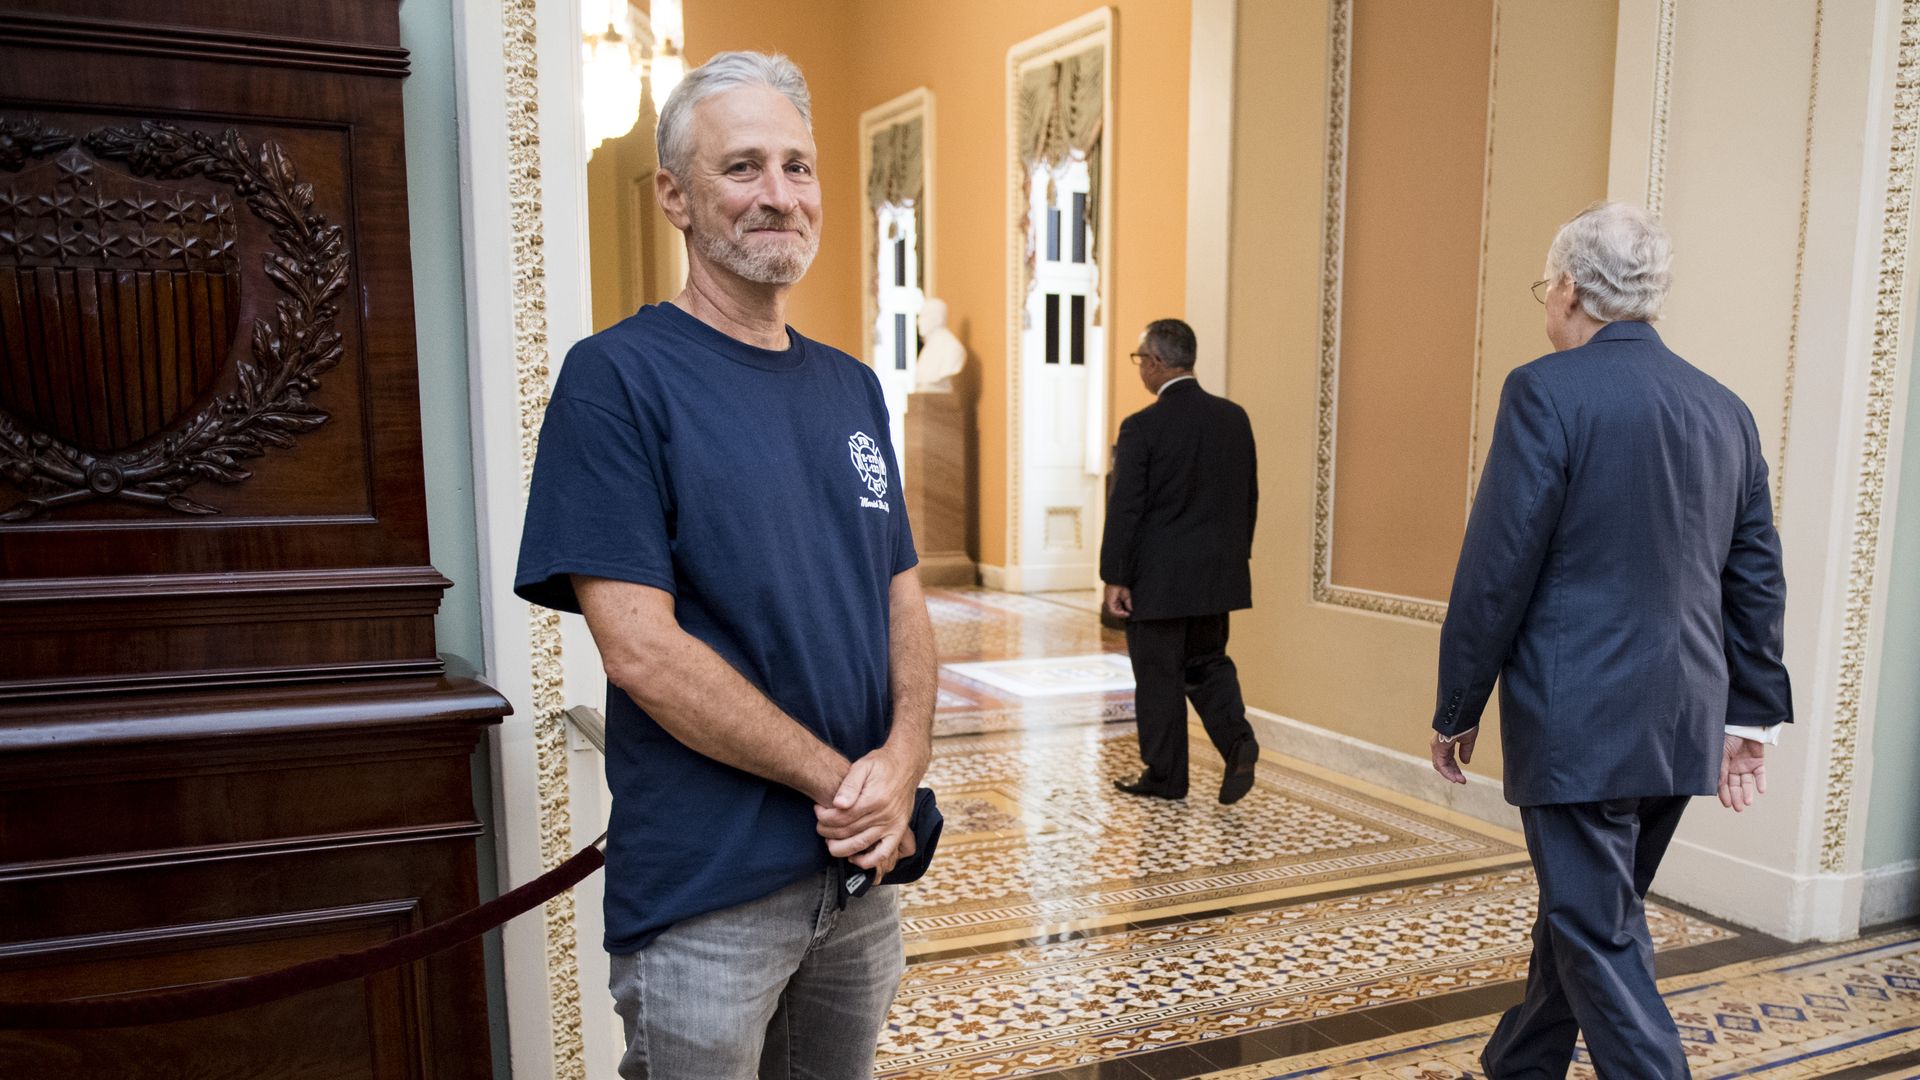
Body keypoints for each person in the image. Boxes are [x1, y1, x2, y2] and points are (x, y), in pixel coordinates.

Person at [513, 52, 935, 1080]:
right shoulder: (615, 380)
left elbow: (904, 600)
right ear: (675, 197)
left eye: (799, 166)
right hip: (711, 890)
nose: (779, 195)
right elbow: (643, 652)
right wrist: (845, 782)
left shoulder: (850, 387)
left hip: (855, 885)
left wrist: (905, 763)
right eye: (742, 167)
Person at [1428, 201, 1792, 1078]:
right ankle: (1521, 1063)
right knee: (1592, 911)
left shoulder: (1545, 390)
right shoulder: (1725, 409)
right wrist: (1754, 717)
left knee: (1597, 928)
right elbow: (1755, 576)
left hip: (1578, 716)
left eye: (1543, 290)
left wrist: (1456, 705)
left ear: (1568, 288)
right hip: (1682, 720)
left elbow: (1498, 565)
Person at [1100, 318, 1261, 804]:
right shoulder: (1234, 418)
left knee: (1158, 678)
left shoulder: (1142, 426)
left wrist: (1115, 577)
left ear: (1154, 362)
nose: (1140, 370)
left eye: (1139, 361)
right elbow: (1248, 498)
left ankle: (1167, 777)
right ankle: (1238, 740)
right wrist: (1233, 562)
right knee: (1208, 664)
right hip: (1216, 578)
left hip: (1158, 582)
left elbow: (1126, 507)